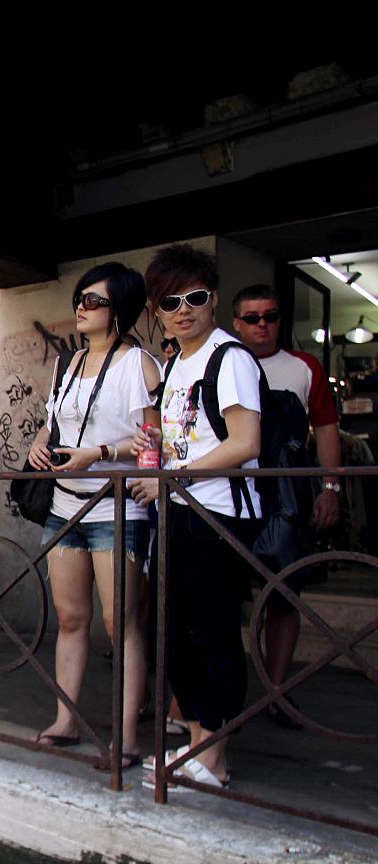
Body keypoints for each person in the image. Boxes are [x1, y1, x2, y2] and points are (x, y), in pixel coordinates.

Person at [131, 244, 261, 787]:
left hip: (220, 514)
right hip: (181, 512)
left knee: (214, 634)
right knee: (171, 633)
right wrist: (152, 448)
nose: (183, 309)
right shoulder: (177, 363)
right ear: (157, 311)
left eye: (196, 298)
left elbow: (246, 442)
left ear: (213, 300)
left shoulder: (228, 358)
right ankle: (199, 742)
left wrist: (173, 476)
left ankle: (214, 757)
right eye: (169, 302)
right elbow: (182, 437)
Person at [25, 263, 161, 761]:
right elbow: (55, 422)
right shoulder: (67, 363)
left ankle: (125, 735)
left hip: (116, 507)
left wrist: (99, 454)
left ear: (119, 309)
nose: (82, 307)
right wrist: (42, 442)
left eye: (95, 301)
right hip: (65, 506)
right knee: (70, 616)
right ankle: (65, 718)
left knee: (119, 621)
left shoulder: (138, 365)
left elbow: (153, 445)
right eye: (80, 299)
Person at [230, 285, 342, 728]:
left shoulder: (303, 367)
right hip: (230, 495)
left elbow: (327, 428)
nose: (262, 325)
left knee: (284, 595)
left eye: (270, 316)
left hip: (287, 499)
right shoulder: (221, 362)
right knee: (221, 596)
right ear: (237, 322)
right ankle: (219, 696)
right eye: (252, 317)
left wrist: (331, 487)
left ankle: (277, 692)